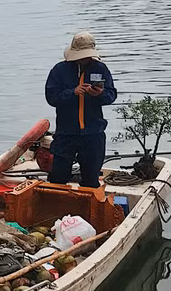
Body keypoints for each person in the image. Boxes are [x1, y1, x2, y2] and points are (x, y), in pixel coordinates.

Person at [44, 31, 117, 188]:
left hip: (93, 133)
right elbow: (51, 97)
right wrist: (73, 92)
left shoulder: (101, 68)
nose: (85, 58)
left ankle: (89, 210)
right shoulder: (59, 70)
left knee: (91, 180)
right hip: (66, 133)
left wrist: (100, 94)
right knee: (58, 177)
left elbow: (111, 95)